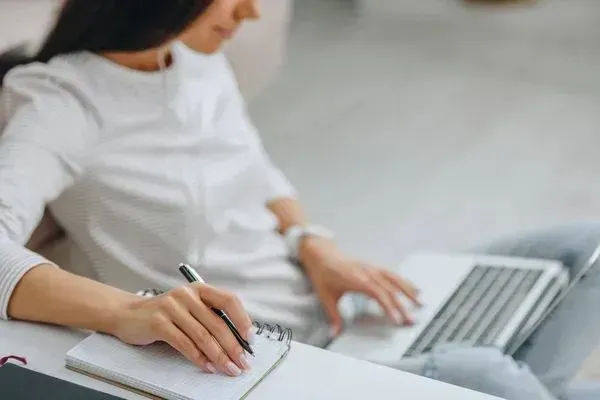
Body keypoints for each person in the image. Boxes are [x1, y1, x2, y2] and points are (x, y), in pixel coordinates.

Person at [0, 1, 598, 398]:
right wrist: (125, 311)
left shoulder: (192, 58)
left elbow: (257, 171)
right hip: (284, 362)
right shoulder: (61, 104)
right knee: (487, 372)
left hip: (343, 312)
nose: (251, 10)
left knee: (586, 245)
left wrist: (312, 243)